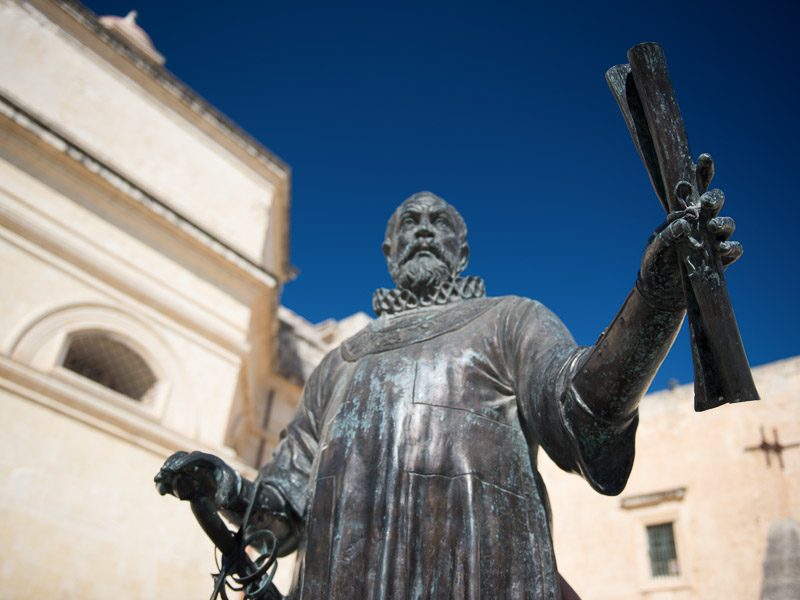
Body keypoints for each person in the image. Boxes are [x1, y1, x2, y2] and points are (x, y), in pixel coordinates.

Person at [156, 189, 741, 599]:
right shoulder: (337, 363)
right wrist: (225, 487)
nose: (423, 230)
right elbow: (283, 507)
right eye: (409, 223)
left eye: (439, 223)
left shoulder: (511, 319)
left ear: (461, 253)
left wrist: (656, 297)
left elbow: (581, 410)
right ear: (389, 253)